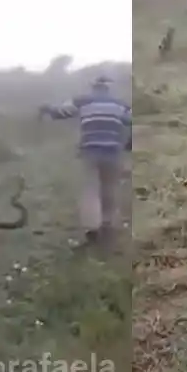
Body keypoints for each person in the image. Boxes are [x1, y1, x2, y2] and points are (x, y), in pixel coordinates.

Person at [39, 75, 132, 248]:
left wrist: (47, 109)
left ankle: (92, 229)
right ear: (109, 88)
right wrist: (129, 142)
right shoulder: (120, 104)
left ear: (93, 87)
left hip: (90, 151)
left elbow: (60, 112)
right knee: (109, 188)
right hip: (113, 152)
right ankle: (108, 224)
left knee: (90, 190)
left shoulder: (82, 101)